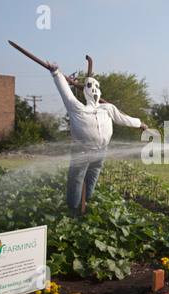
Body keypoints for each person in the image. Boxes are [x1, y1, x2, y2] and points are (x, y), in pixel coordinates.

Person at [49, 62, 148, 215]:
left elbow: (123, 119)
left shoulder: (107, 108)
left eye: (96, 87)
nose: (94, 90)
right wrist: (56, 74)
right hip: (82, 151)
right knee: (76, 179)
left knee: (93, 176)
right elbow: (66, 93)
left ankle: (86, 202)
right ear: (85, 90)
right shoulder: (77, 108)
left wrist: (139, 123)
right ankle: (73, 209)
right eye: (90, 86)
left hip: (101, 150)